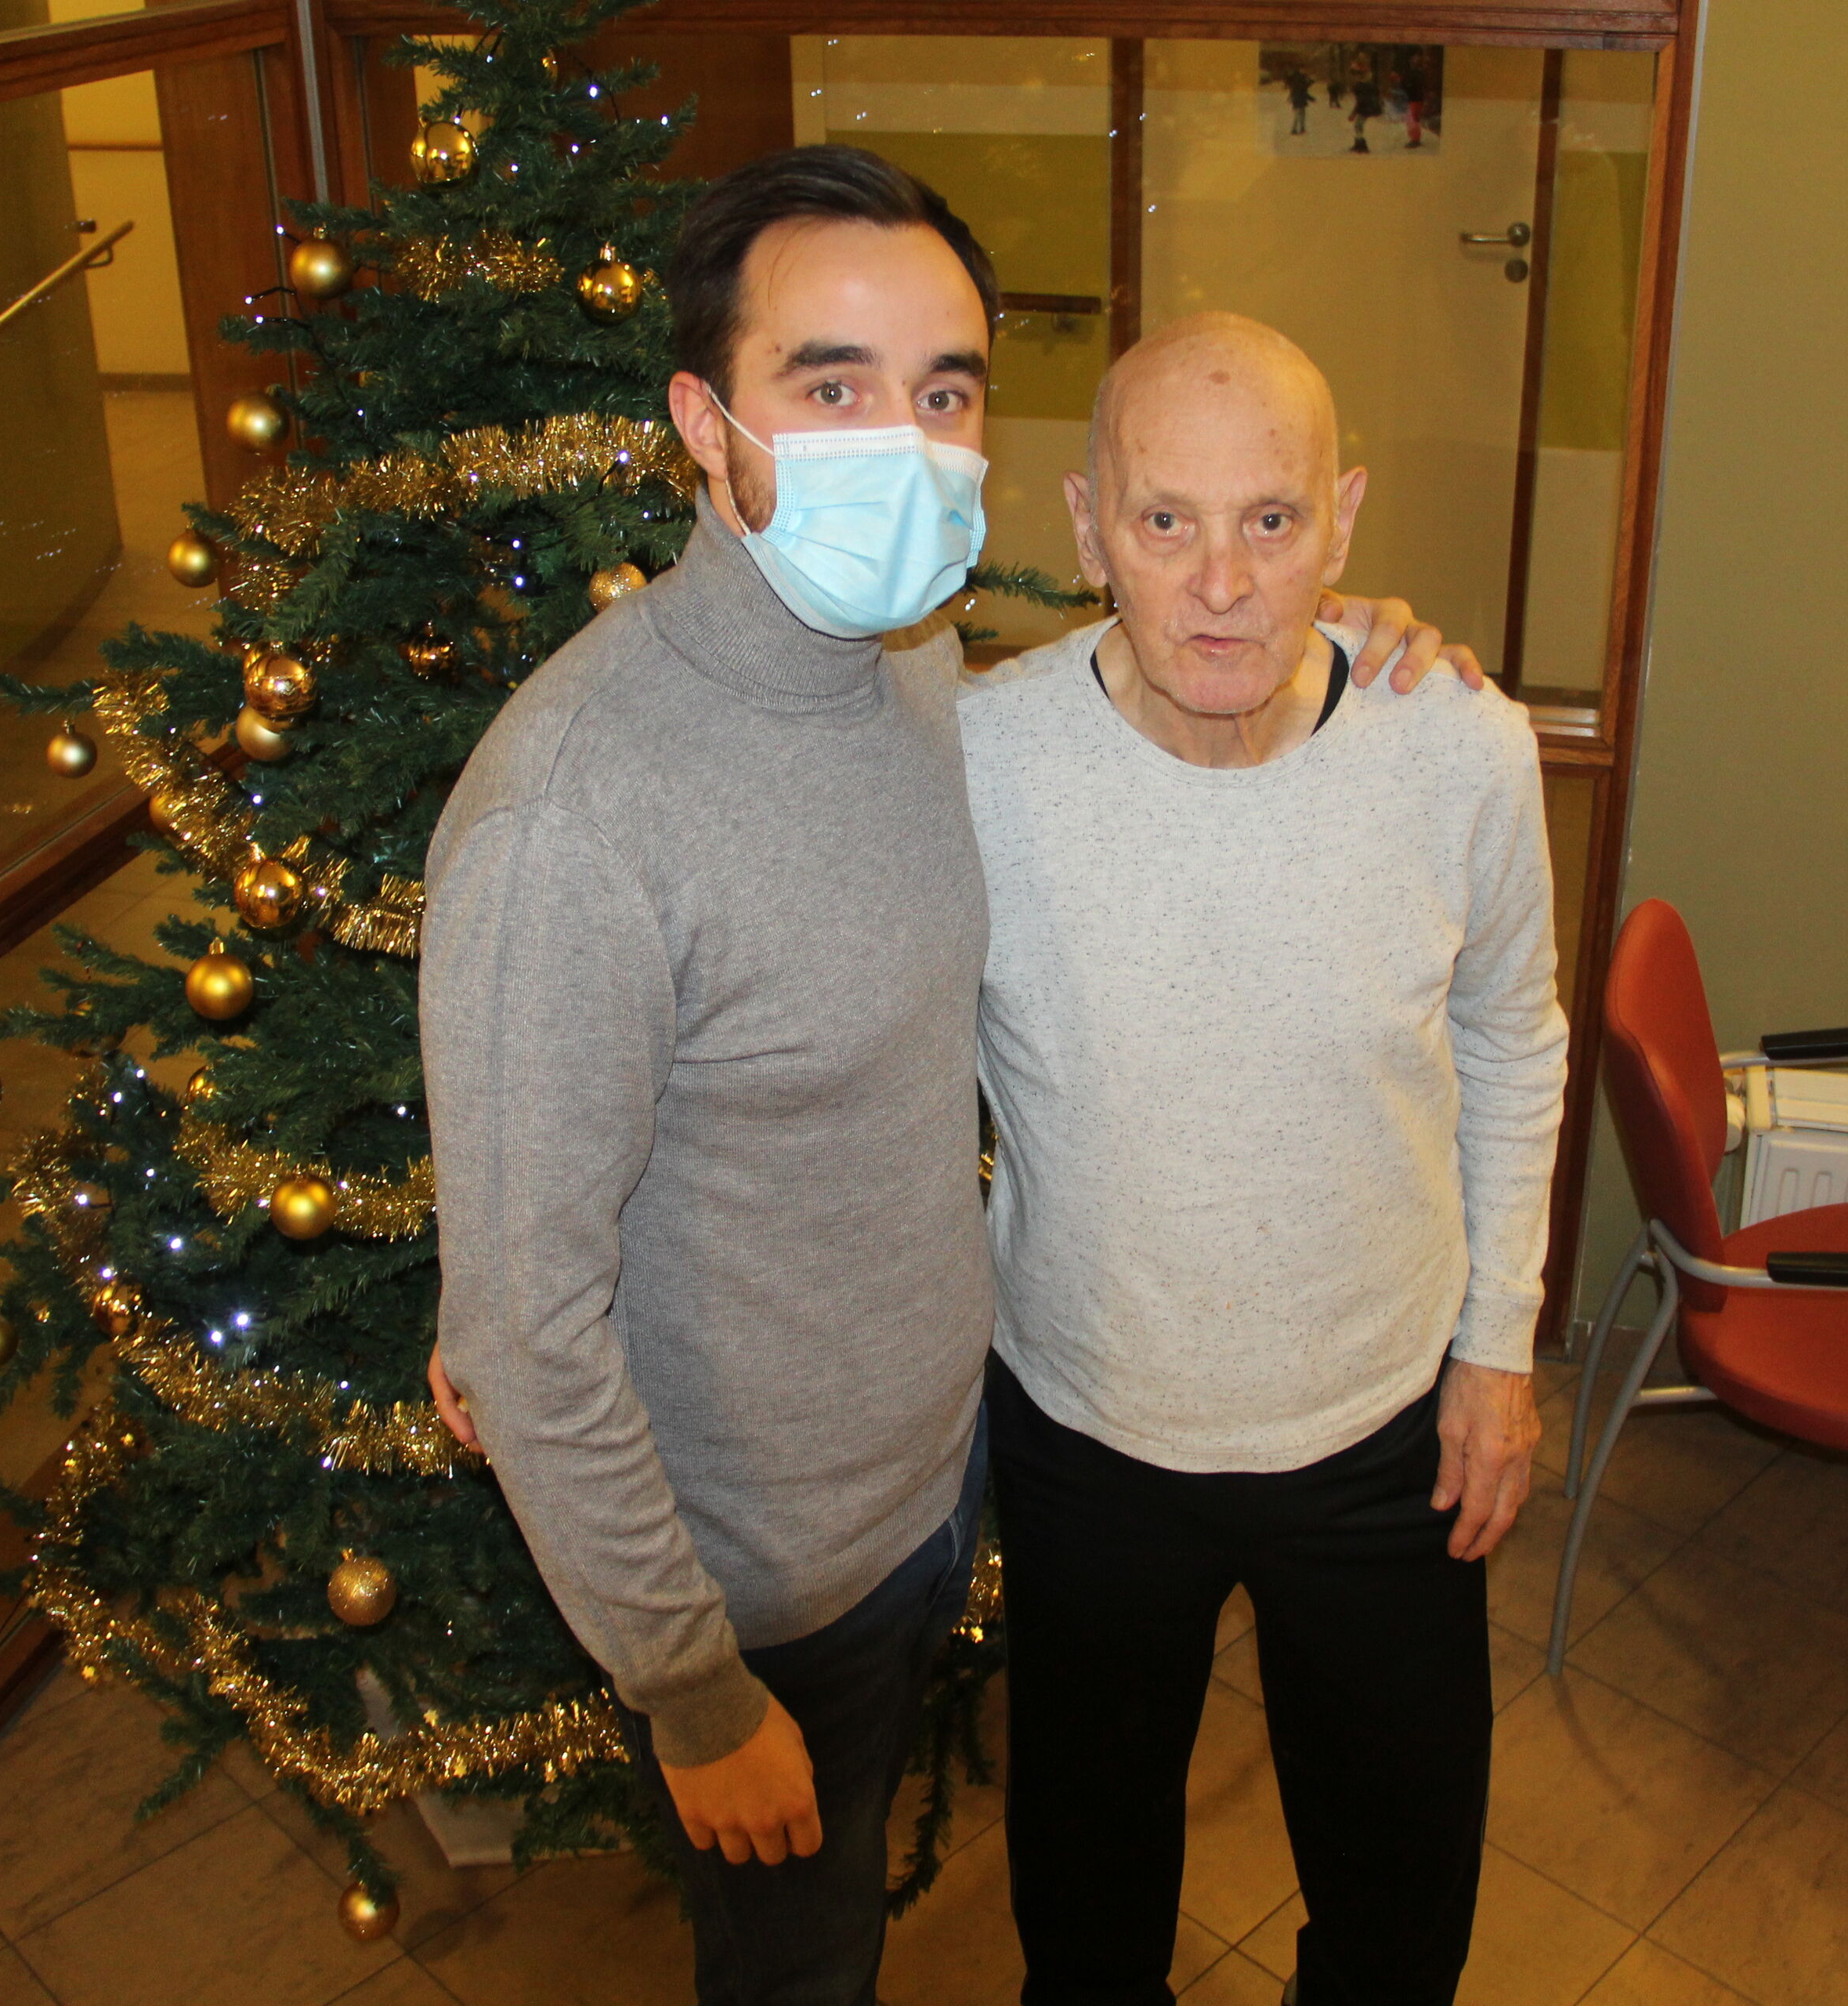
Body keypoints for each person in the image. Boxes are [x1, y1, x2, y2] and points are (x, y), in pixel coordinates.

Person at [417, 148, 1470, 2004]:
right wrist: (690, 1686)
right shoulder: (575, 812)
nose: (900, 447)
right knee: (801, 1970)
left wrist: (1333, 630)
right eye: (831, 386)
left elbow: (1152, 682)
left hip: (943, 1483)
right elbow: (525, 1327)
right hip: (760, 1593)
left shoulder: (903, 664)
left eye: (945, 390)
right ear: (705, 422)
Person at [962, 312, 1565, 2004]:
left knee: (1400, 1918)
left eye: (1272, 521)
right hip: (1087, 1430)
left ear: (1343, 520)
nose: (1222, 583)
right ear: (1088, 527)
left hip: (1386, 1430)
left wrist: (1499, 1348)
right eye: (1166, 521)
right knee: (1085, 1926)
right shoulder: (978, 763)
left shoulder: (1462, 746)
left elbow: (1517, 1037)